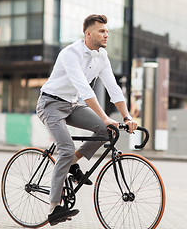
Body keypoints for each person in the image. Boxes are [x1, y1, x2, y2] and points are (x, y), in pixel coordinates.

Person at [36, 14, 137, 226]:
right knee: (65, 148)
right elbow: (84, 88)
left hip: (72, 105)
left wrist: (127, 117)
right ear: (88, 33)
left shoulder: (102, 56)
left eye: (107, 31)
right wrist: (105, 116)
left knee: (105, 130)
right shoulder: (70, 53)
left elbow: (113, 88)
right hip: (51, 104)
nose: (106, 34)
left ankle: (73, 163)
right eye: (102, 31)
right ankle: (54, 207)